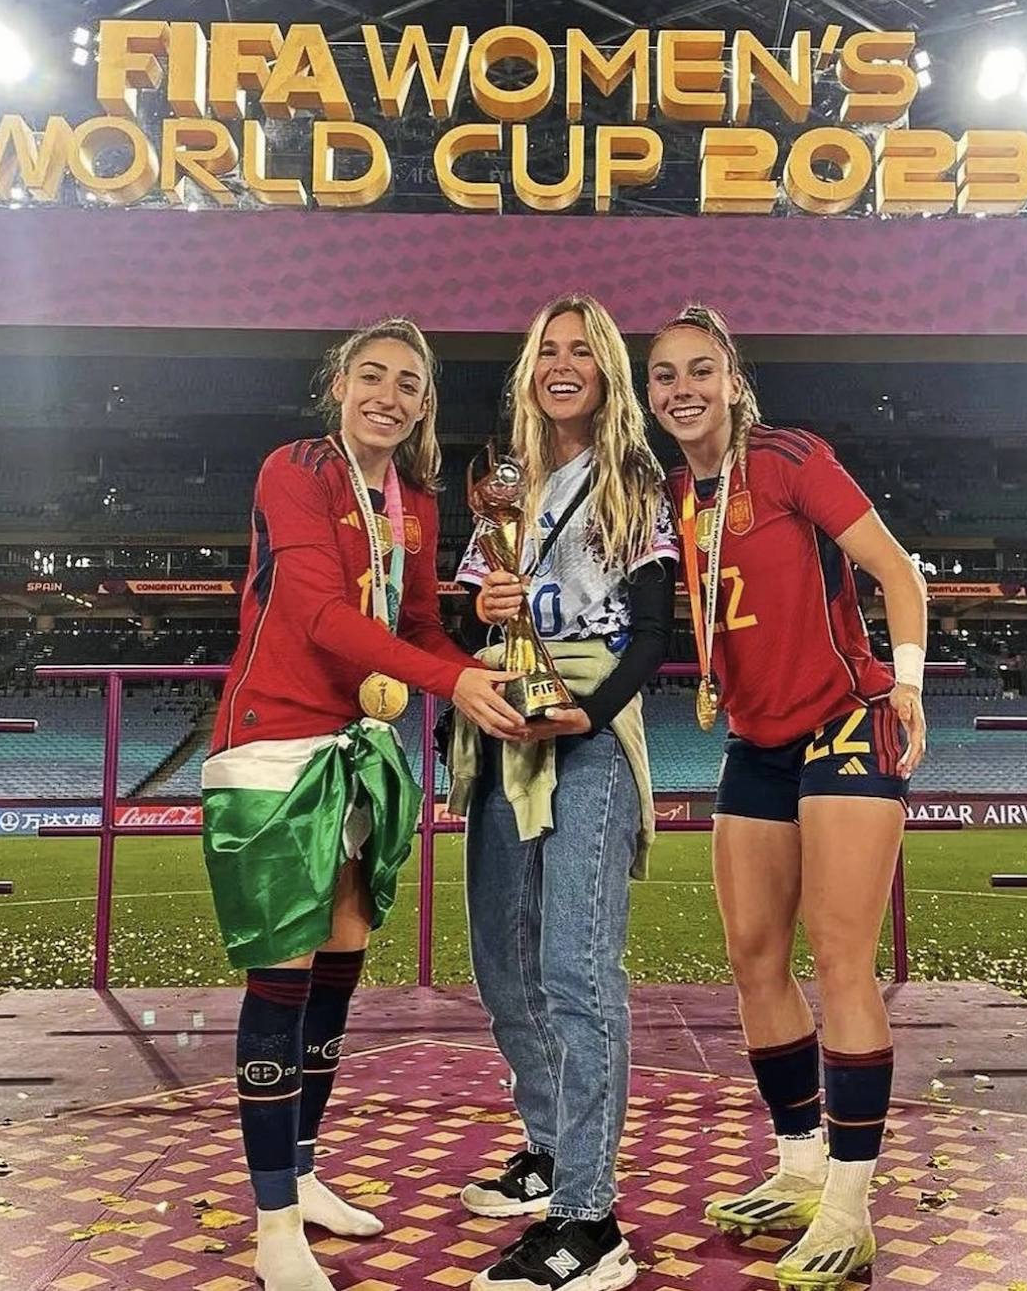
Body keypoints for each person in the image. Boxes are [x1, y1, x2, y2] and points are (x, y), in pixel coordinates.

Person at [202, 318, 522, 1291]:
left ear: (426, 405)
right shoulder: (292, 470)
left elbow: (419, 622)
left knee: (341, 957)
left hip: (366, 745)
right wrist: (450, 685)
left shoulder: (415, 500)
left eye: (409, 383)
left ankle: (299, 1177)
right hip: (274, 743)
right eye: (371, 374)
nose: (388, 393)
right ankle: (270, 1225)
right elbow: (316, 614)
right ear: (340, 382)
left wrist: (494, 668)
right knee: (283, 971)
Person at [646, 305, 928, 1289]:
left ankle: (850, 1207)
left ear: (731, 379)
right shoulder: (681, 493)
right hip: (757, 739)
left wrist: (911, 682)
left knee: (842, 958)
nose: (681, 389)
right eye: (663, 376)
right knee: (754, 957)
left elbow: (896, 572)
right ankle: (801, 1167)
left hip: (848, 717)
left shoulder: (791, 458)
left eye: (699, 370)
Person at [449, 294, 680, 1291]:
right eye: (551, 349)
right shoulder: (505, 478)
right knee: (506, 969)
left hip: (587, 728)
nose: (565, 364)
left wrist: (592, 711)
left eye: (585, 351)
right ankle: (550, 1152)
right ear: (530, 366)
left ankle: (592, 1222)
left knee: (580, 977)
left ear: (608, 372)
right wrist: (480, 611)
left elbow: (654, 621)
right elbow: (465, 618)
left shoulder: (632, 478)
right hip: (502, 721)